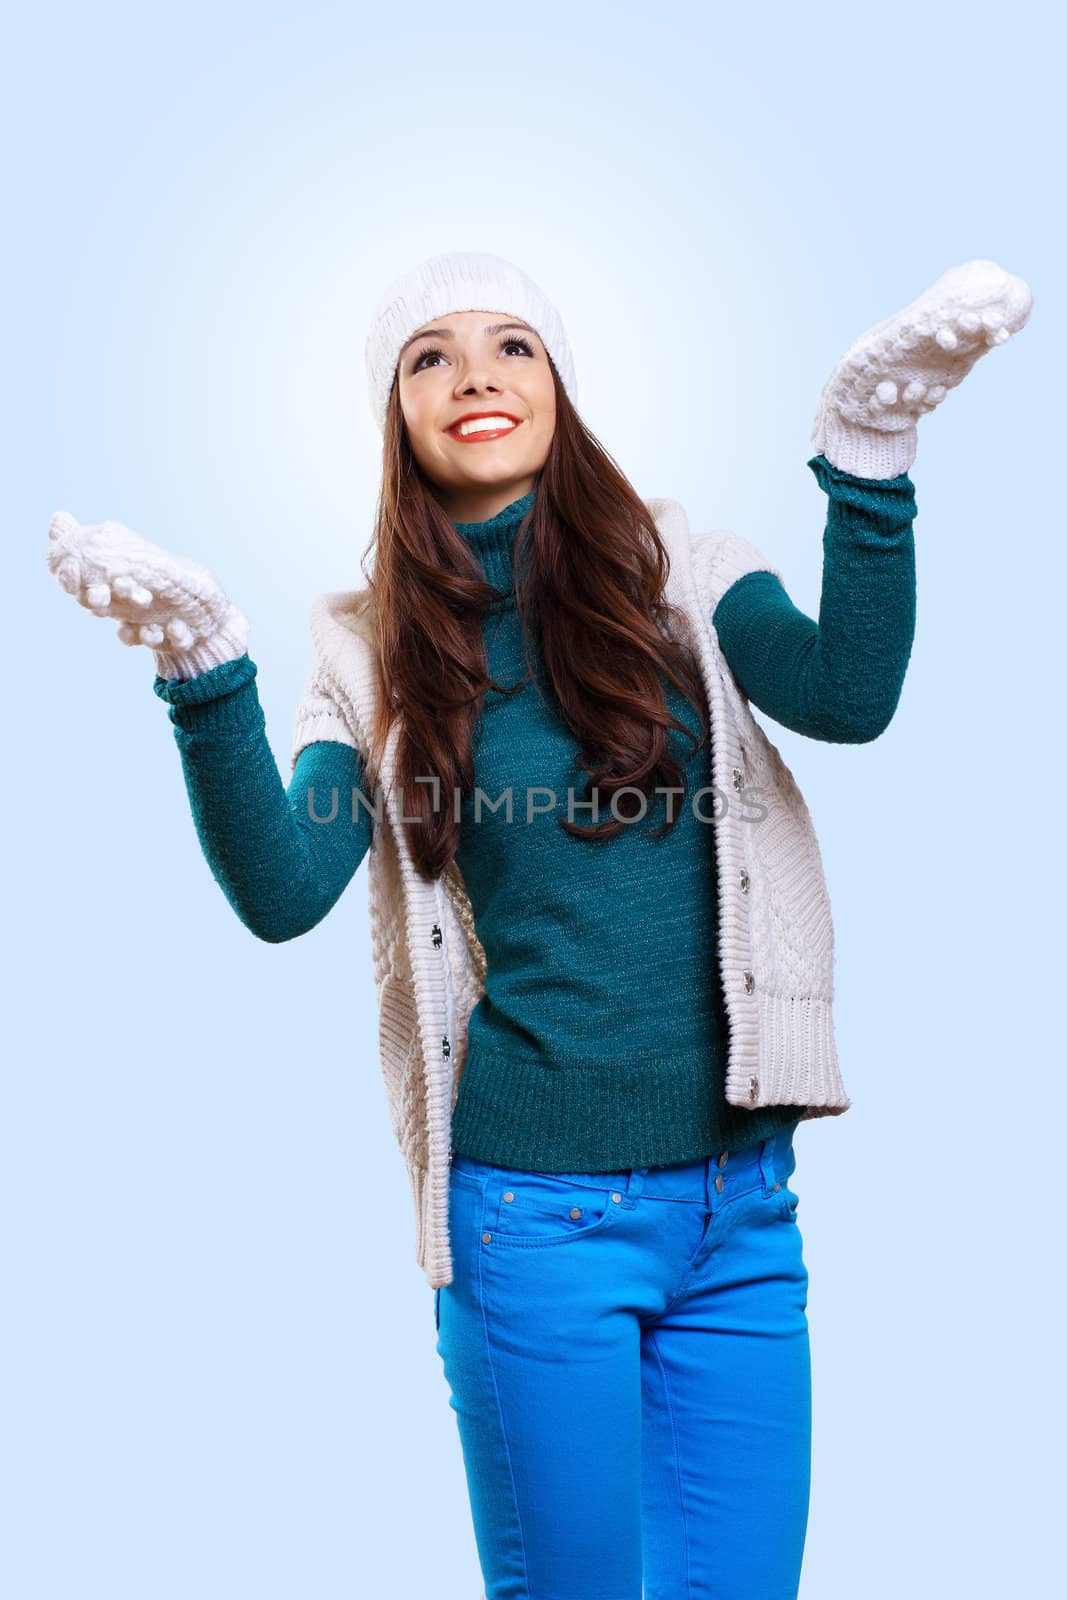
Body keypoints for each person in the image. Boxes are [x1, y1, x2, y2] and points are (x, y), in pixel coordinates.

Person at [46, 251, 1032, 1600]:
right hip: (535, 1224)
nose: (475, 377)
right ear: (394, 415)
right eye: (429, 356)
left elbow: (847, 695)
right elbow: (286, 891)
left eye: (512, 344)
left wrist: (870, 460)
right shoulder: (372, 653)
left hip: (742, 1214)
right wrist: (205, 669)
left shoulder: (686, 571)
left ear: (559, 384)